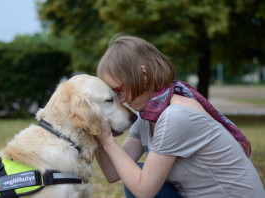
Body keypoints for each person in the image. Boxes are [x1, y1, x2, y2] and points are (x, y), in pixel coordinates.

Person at [94, 34, 265, 198]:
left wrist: (108, 140)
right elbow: (113, 172)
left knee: (136, 178)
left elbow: (143, 190)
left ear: (144, 76)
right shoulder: (148, 116)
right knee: (132, 172)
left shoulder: (175, 116)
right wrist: (95, 131)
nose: (121, 100)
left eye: (119, 90)